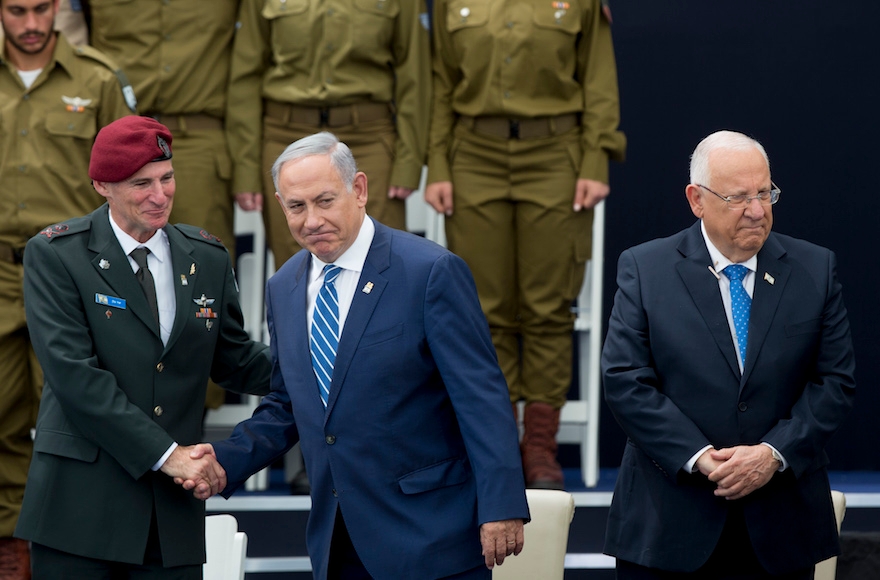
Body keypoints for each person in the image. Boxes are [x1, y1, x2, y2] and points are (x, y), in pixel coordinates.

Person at [183, 132, 529, 579]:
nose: (312, 220)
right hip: (338, 543)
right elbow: (290, 404)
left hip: (432, 538)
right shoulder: (284, 286)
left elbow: (481, 398)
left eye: (325, 200)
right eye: (296, 206)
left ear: (360, 189)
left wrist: (501, 506)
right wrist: (223, 463)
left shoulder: (429, 272)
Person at [14, 115, 272, 579]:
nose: (160, 195)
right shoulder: (56, 255)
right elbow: (76, 378)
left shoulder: (206, 257)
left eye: (167, 178)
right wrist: (169, 455)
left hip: (169, 520)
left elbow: (235, 360)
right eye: (141, 184)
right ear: (102, 186)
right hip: (79, 512)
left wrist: (328, 365)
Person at [602, 130, 856, 578]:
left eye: (765, 193)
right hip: (668, 524)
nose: (757, 211)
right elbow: (625, 380)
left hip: (780, 528)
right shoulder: (645, 269)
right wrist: (700, 456)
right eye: (739, 197)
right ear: (696, 199)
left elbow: (834, 382)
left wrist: (772, 454)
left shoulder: (816, 269)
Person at [425, 0, 626, 489]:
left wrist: (596, 158)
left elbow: (598, 79)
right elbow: (440, 84)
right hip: (474, 153)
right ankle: (495, 441)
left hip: (555, 152)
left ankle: (538, 447)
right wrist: (439, 164)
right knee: (480, 308)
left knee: (548, 305)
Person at [0, 0, 132, 575]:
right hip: (0, 269)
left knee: (72, 412)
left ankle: (59, 541)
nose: (30, 25)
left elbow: (124, 177)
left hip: (67, 267)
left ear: (59, 8)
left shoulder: (98, 78)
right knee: (3, 410)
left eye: (40, 9)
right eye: (14, 11)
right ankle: (13, 544)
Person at [87, 0, 249, 412]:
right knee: (103, 273)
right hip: (113, 135)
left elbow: (251, 62)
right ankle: (120, 401)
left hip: (197, 137)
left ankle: (194, 415)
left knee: (198, 284)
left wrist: (246, 166)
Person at [227, 0, 431, 267]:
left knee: (378, 259)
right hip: (286, 134)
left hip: (367, 137)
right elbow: (246, 75)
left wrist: (408, 162)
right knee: (297, 262)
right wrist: (246, 169)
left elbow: (413, 74)